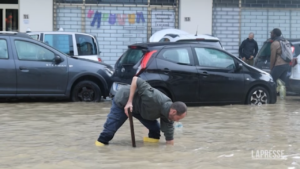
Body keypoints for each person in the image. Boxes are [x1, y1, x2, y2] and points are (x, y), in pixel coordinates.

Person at [95, 76, 187, 146]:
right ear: (173, 111)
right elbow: (136, 79)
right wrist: (129, 102)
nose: (177, 121)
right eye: (178, 118)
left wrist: (170, 154)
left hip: (141, 109)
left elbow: (169, 137)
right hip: (124, 101)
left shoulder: (168, 116)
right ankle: (99, 146)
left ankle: (149, 148)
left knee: (155, 131)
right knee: (108, 133)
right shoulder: (154, 98)